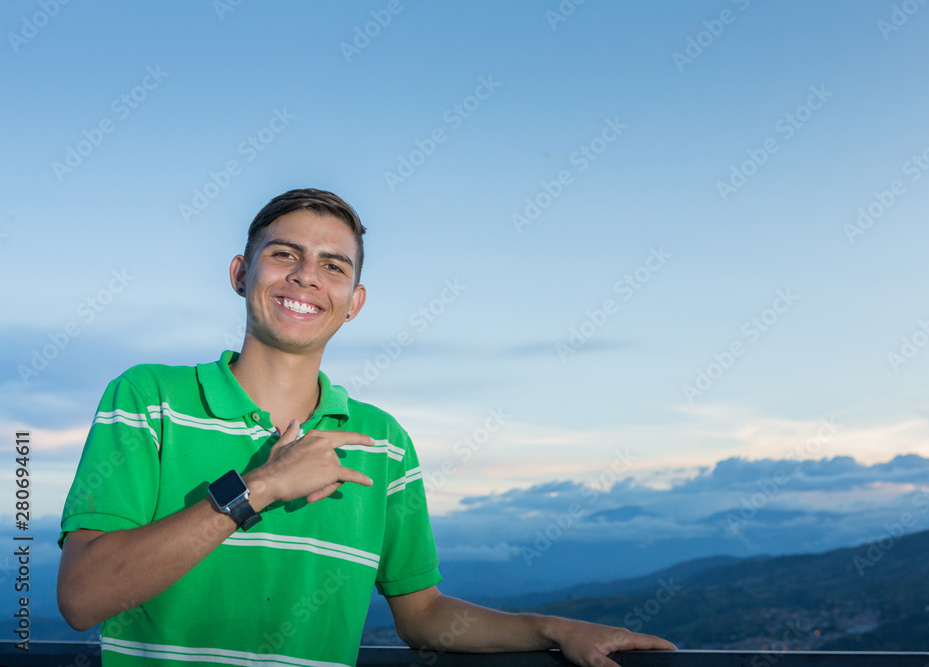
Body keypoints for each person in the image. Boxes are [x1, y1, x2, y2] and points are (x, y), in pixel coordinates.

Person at [57, 188, 675, 667]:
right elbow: (83, 596)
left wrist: (555, 629)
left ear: (353, 302)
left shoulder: (385, 443)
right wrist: (261, 487)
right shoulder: (146, 399)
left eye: (333, 266)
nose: (305, 276)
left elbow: (422, 614)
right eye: (284, 254)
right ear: (240, 274)